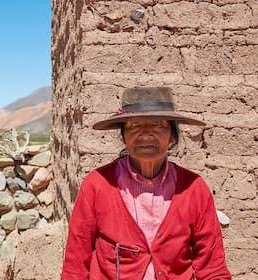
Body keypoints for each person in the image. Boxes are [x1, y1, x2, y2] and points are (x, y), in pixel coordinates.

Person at [61, 87, 231, 280]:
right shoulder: (97, 184)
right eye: (134, 126)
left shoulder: (194, 188)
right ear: (124, 136)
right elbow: (75, 264)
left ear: (173, 136)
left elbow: (212, 267)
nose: (146, 134)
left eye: (158, 125)